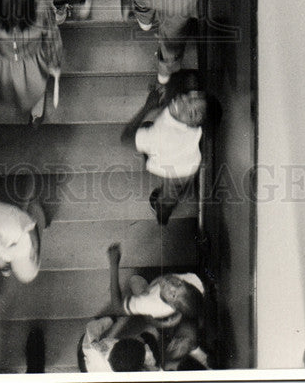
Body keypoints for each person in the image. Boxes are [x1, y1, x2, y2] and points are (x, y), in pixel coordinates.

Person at [121, 70, 210, 224]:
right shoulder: (188, 116)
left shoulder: (160, 136)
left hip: (175, 168)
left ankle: (163, 214)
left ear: (192, 122)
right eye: (190, 96)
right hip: (189, 159)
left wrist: (148, 107)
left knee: (169, 196)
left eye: (192, 111)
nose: (183, 99)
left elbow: (126, 138)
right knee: (148, 127)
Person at [106, 242, 206, 368]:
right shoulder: (192, 282)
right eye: (180, 283)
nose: (172, 284)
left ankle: (192, 349)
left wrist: (114, 265)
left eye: (173, 294)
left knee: (134, 280)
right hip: (172, 318)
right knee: (136, 281)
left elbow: (117, 308)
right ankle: (193, 348)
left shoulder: (148, 304)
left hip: (163, 318)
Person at [77, 244, 160, 372]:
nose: (137, 337)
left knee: (84, 344)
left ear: (116, 344)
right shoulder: (147, 362)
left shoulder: (93, 349)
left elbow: (92, 328)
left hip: (91, 367)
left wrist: (112, 319)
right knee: (153, 335)